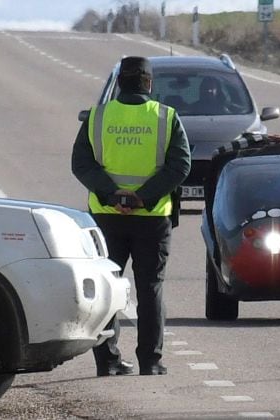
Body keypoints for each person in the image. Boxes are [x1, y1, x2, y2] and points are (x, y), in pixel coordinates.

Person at [72, 56, 191, 376]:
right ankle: (150, 362)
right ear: (149, 84)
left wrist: (113, 195)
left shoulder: (98, 117)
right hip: (152, 217)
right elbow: (180, 165)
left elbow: (81, 165)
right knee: (150, 287)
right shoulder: (166, 117)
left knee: (107, 285)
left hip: (106, 216)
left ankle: (107, 361)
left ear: (119, 83)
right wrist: (145, 196)